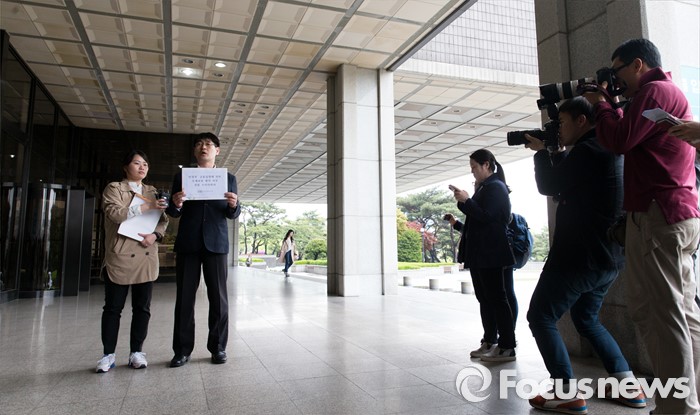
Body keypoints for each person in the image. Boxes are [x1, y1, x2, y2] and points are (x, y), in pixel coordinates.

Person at [584, 38, 700, 414]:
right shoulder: (662, 93)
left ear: (637, 64)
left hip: (657, 215)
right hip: (671, 214)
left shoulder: (655, 90)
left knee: (663, 314)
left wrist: (601, 105)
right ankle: (688, 400)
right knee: (679, 312)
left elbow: (619, 140)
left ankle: (678, 408)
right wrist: (615, 105)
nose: (615, 80)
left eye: (617, 71)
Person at [524, 97, 645, 413]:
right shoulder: (608, 149)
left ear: (582, 121)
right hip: (608, 258)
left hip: (578, 257)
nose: (559, 130)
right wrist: (556, 153)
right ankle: (627, 385)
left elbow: (549, 184)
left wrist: (541, 153)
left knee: (540, 316)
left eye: (563, 123)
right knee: (586, 317)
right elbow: (573, 185)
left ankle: (565, 391)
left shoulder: (589, 149)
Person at [165, 132, 241, 367]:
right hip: (188, 242)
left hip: (216, 243)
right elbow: (173, 211)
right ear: (195, 151)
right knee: (184, 299)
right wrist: (176, 203)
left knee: (219, 298)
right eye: (199, 144)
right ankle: (182, 350)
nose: (203, 147)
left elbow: (232, 213)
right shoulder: (182, 177)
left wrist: (234, 205)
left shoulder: (229, 178)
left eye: (208, 144)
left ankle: (218, 348)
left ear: (217, 150)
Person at [97, 150, 169, 373]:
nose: (142, 167)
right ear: (125, 166)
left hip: (146, 253)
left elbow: (163, 220)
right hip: (120, 255)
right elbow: (115, 214)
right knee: (113, 308)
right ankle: (108, 354)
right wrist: (148, 206)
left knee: (142, 308)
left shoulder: (152, 191)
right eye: (137, 163)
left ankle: (137, 352)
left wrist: (155, 235)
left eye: (145, 164)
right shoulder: (114, 188)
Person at [450, 149, 517, 362]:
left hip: (491, 252)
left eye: (474, 167)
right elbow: (478, 216)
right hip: (482, 253)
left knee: (497, 298)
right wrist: (464, 201)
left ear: (486, 165)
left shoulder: (496, 187)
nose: (472, 172)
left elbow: (489, 218)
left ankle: (507, 346)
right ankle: (490, 341)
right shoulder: (486, 187)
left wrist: (467, 201)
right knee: (486, 299)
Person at [445, 213, 518, 330]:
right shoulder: (483, 210)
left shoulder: (497, 207)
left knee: (503, 296)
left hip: (496, 256)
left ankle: (507, 333)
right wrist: (456, 224)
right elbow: (474, 230)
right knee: (493, 297)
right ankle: (498, 333)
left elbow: (485, 228)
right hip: (489, 256)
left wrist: (467, 205)